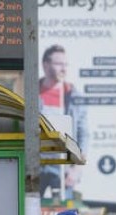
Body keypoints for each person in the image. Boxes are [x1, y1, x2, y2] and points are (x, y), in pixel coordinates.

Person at [39, 44, 88, 199]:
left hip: (62, 167)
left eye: (66, 64)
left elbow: (83, 134)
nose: (63, 68)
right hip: (35, 165)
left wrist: (77, 169)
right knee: (27, 211)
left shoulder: (73, 95)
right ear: (45, 65)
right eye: (59, 64)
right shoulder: (31, 92)